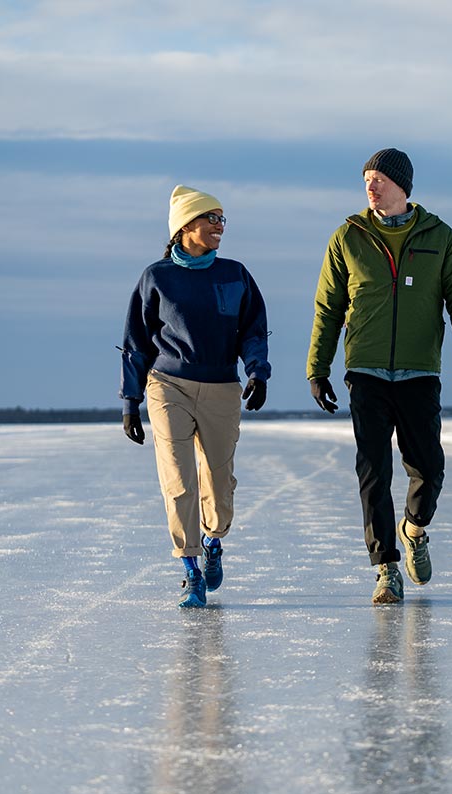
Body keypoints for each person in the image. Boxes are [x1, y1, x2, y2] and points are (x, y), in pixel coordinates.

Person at [307, 148, 452, 604]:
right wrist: (318, 369)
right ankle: (386, 568)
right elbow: (328, 307)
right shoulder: (348, 236)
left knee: (428, 465)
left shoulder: (439, 236)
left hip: (419, 369)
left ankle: (415, 528)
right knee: (373, 469)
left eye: (379, 178)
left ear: (402, 186)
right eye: (366, 178)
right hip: (364, 369)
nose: (371, 186)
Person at [120, 185, 271, 608]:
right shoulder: (157, 277)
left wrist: (257, 370)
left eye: (223, 219)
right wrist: (131, 402)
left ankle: (212, 540)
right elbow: (137, 342)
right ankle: (189, 570)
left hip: (222, 386)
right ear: (185, 225)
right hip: (168, 384)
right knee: (178, 479)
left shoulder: (234, 274)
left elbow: (253, 331)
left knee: (218, 483)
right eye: (212, 218)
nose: (220, 226)